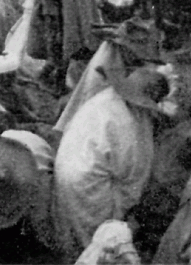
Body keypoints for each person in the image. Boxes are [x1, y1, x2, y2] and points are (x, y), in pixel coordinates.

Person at [54, 66, 172, 254]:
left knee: (77, 236)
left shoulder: (104, 99)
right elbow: (132, 177)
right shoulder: (126, 124)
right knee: (100, 242)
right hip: (90, 184)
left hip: (67, 170)